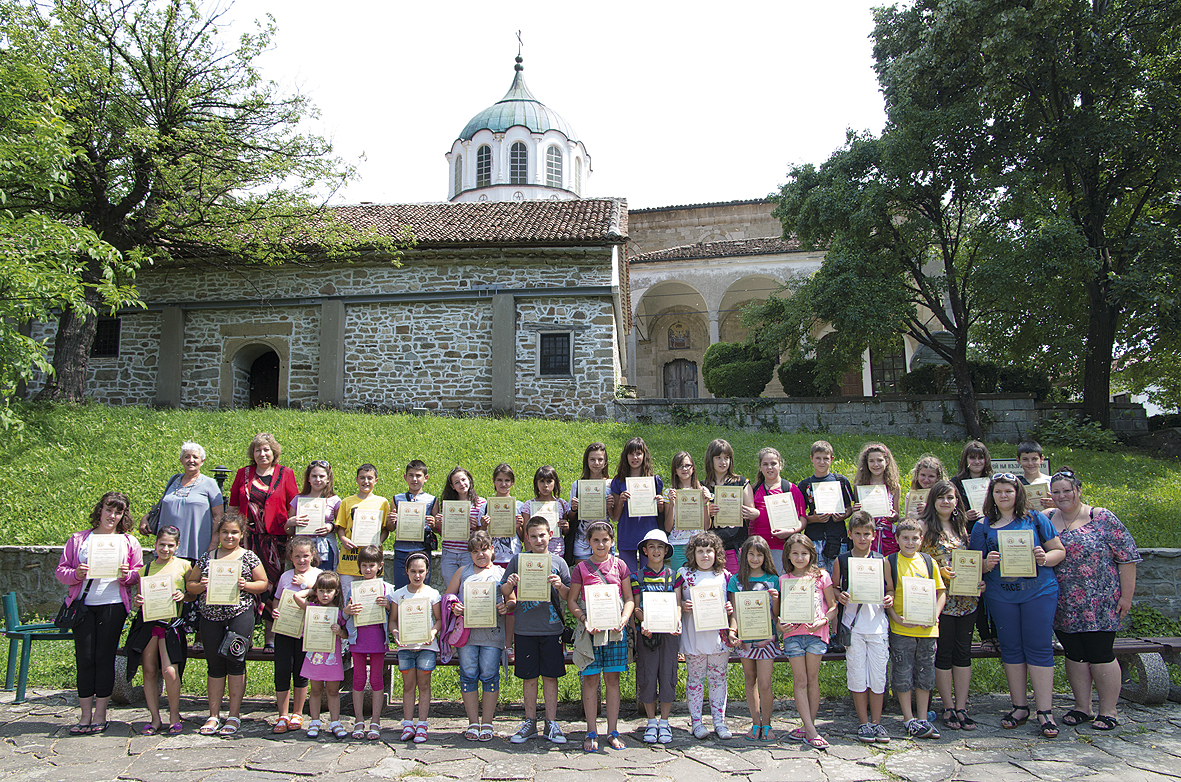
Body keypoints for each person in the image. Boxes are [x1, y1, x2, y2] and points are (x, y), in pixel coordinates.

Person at [970, 472, 1066, 738]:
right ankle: (1019, 706)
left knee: (1039, 647)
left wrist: (1044, 557)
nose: (1004, 496)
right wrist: (985, 564)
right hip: (1001, 596)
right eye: (998, 491)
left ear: (1017, 493)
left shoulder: (1035, 519)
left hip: (1039, 592)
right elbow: (972, 564)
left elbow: (1059, 550)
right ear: (992, 495)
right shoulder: (982, 526)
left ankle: (1045, 711)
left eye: (1009, 491)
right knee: (1011, 648)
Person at [1047, 467, 1139, 731]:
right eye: (1057, 492)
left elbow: (1127, 557)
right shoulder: (1047, 518)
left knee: (1100, 653)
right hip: (1064, 602)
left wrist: (1126, 597)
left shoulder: (1102, 517)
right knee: (1075, 654)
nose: (1062, 495)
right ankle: (1082, 707)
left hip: (1100, 601)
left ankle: (1109, 710)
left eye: (1067, 490)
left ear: (1078, 490)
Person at [56, 492, 144, 735]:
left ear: (123, 515)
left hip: (113, 604)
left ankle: (100, 715)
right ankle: (84, 715)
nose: (112, 516)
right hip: (83, 606)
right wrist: (77, 573)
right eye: (109, 510)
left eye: (118, 512)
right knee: (84, 659)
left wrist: (126, 574)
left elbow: (138, 574)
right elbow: (61, 571)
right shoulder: (79, 540)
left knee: (104, 658)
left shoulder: (128, 541)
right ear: (100, 510)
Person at [185, 511, 269, 736]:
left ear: (241, 534)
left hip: (239, 615)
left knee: (235, 662)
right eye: (225, 532)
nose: (229, 536)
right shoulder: (207, 557)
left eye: (234, 532)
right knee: (214, 665)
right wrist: (200, 585)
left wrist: (246, 586)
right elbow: (190, 585)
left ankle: (234, 715)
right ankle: (213, 715)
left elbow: (263, 584)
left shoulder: (249, 556)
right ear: (218, 533)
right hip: (211, 617)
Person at [500, 517, 571, 745]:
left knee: (551, 677)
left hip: (551, 629)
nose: (538, 540)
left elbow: (570, 596)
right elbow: (504, 589)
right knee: (529, 678)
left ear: (551, 535)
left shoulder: (559, 562)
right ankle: (530, 721)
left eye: (542, 535)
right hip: (525, 628)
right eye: (533, 536)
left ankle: (551, 722)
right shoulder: (518, 560)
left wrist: (560, 586)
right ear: (526, 538)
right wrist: (510, 583)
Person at [228, 432, 299, 649]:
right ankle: (244, 636)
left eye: (266, 449)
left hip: (275, 541)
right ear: (253, 453)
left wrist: (293, 533)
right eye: (258, 450)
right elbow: (232, 505)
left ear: (274, 452)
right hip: (247, 540)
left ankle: (270, 637)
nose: (262, 454)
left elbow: (293, 505)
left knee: (272, 587)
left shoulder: (285, 474)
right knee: (246, 586)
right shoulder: (243, 473)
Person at [568, 521, 634, 752]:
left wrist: (624, 618)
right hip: (591, 633)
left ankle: (613, 731)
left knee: (613, 680)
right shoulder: (581, 568)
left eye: (605, 539)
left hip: (615, 631)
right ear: (588, 542)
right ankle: (591, 730)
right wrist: (584, 620)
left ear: (612, 541)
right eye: (595, 540)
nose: (600, 544)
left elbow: (629, 599)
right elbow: (572, 601)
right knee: (591, 680)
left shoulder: (620, 565)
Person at [920, 480, 980, 731]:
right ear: (933, 501)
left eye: (951, 498)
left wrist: (979, 579)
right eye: (941, 497)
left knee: (963, 653)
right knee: (943, 654)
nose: (946, 502)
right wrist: (937, 571)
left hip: (967, 600)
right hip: (939, 599)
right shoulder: (925, 528)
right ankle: (947, 706)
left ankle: (962, 706)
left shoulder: (964, 528)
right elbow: (914, 560)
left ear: (957, 502)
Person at [126, 525, 192, 736]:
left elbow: (193, 594)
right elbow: (138, 598)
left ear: (177, 546)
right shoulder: (145, 569)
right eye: (161, 544)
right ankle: (155, 718)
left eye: (170, 545)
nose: (165, 549)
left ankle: (174, 715)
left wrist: (184, 595)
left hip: (171, 625)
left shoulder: (185, 566)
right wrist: (137, 601)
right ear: (155, 544)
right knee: (149, 671)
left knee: (170, 671)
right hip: (149, 625)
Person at [834, 510, 892, 744]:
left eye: (866, 534)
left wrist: (889, 598)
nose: (862, 539)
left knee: (878, 677)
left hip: (877, 625)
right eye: (857, 534)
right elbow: (835, 589)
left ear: (873, 534)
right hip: (853, 627)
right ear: (850, 534)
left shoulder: (881, 560)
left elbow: (889, 589)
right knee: (857, 676)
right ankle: (863, 723)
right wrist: (841, 596)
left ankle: (877, 723)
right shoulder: (842, 560)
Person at [885, 519, 947, 740]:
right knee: (902, 673)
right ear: (897, 539)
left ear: (921, 540)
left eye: (914, 538)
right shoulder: (890, 561)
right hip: (901, 629)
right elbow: (888, 594)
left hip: (927, 630)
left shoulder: (929, 562)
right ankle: (908, 718)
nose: (910, 542)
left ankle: (922, 717)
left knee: (925, 673)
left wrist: (934, 616)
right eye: (905, 538)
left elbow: (941, 593)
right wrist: (896, 617)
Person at [445, 531, 508, 742]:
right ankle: (473, 721)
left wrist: (505, 606)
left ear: (492, 549)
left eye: (484, 549)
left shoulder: (501, 573)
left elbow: (513, 601)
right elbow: (448, 596)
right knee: (469, 674)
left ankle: (488, 722)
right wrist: (455, 605)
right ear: (470, 554)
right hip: (468, 635)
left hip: (493, 634)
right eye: (475, 551)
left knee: (490, 674)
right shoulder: (463, 572)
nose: (480, 554)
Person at [777, 533, 836, 750]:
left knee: (812, 680)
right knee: (799, 681)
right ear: (789, 556)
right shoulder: (784, 580)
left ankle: (807, 726)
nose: (800, 558)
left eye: (804, 553)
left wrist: (823, 621)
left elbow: (832, 607)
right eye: (795, 554)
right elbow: (778, 616)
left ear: (812, 554)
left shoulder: (822, 576)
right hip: (793, 636)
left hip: (816, 635)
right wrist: (780, 626)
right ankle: (811, 731)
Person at [677, 531, 733, 741]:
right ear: (693, 553)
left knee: (718, 679)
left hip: (718, 639)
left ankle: (719, 721)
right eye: (700, 551)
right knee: (695, 679)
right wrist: (682, 605)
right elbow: (674, 602)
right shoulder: (683, 574)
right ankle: (697, 721)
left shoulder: (725, 576)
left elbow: (732, 603)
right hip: (694, 637)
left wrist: (729, 607)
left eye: (709, 550)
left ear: (716, 553)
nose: (705, 555)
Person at [727, 536, 780, 742]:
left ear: (765, 556)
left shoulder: (773, 580)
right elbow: (735, 614)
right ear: (744, 555)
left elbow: (775, 614)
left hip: (766, 640)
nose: (755, 558)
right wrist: (733, 631)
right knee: (750, 680)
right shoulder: (736, 580)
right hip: (746, 640)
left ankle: (767, 723)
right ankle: (755, 722)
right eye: (751, 554)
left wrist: (775, 600)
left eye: (759, 554)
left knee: (765, 683)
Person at [631, 529, 680, 745]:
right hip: (647, 634)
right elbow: (636, 606)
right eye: (652, 547)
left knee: (668, 674)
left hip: (669, 634)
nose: (656, 551)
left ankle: (665, 721)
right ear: (644, 550)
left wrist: (677, 621)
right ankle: (651, 721)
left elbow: (677, 604)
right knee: (647, 675)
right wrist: (645, 622)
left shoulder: (674, 576)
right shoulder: (637, 577)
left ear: (666, 551)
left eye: (660, 547)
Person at [270, 536, 322, 735]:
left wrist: (305, 585)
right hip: (284, 630)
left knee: (301, 672)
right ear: (291, 557)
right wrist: (275, 611)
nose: (302, 560)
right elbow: (277, 599)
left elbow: (323, 599)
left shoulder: (318, 575)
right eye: (297, 556)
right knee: (282, 670)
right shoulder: (285, 577)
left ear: (313, 556)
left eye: (306, 556)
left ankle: (298, 713)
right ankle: (283, 714)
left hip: (305, 632)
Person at [139, 441, 223, 562]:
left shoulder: (210, 484)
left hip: (195, 548)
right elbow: (163, 505)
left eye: (195, 457)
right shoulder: (173, 480)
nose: (191, 460)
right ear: (181, 460)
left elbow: (219, 516)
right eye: (187, 457)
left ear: (202, 461)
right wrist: (146, 518)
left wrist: (214, 543)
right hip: (167, 548)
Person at [390, 552, 443, 743]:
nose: (417, 575)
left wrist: (433, 632)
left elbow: (438, 620)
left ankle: (422, 724)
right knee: (408, 686)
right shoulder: (398, 594)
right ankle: (407, 724)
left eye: (421, 571)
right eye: (413, 571)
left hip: (426, 647)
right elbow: (393, 622)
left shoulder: (432, 594)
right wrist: (396, 633)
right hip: (406, 647)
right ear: (406, 571)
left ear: (427, 572)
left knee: (424, 685)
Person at [344, 545, 395, 739]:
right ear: (359, 566)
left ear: (380, 566)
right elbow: (344, 615)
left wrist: (388, 605)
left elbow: (394, 615)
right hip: (358, 639)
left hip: (377, 639)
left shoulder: (387, 588)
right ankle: (358, 720)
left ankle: (375, 721)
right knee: (358, 679)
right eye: (364, 565)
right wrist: (347, 611)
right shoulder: (353, 589)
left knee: (376, 679)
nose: (367, 569)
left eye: (371, 565)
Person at [950, 440, 997, 651]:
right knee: (974, 584)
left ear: (986, 460)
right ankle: (984, 634)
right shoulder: (956, 483)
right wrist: (962, 515)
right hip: (967, 537)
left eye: (980, 457)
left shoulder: (995, 481)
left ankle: (997, 632)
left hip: (992, 537)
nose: (977, 461)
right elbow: (949, 512)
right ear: (965, 460)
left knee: (992, 584)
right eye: (972, 457)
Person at [296, 571, 350, 739]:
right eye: (321, 590)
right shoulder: (312, 609)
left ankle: (335, 721)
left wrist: (339, 631)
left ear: (336, 592)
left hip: (332, 659)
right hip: (314, 657)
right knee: (316, 690)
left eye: (329, 591)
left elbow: (347, 635)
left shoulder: (339, 613)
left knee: (333, 691)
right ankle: (314, 721)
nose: (325, 595)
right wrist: (311, 590)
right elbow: (297, 597)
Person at [798, 440, 855, 575]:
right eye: (818, 458)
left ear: (832, 459)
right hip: (814, 537)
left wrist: (844, 515)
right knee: (816, 576)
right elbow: (799, 515)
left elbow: (850, 507)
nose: (821, 462)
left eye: (826, 458)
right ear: (812, 459)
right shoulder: (805, 484)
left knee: (837, 576)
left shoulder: (841, 481)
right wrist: (813, 519)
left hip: (837, 536)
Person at [610, 437, 666, 574]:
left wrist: (660, 504)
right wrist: (621, 501)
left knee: (650, 576)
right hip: (627, 533)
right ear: (626, 456)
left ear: (644, 455)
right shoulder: (618, 482)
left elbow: (661, 513)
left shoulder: (654, 481)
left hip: (649, 534)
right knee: (628, 577)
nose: (635, 457)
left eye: (638, 453)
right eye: (631, 454)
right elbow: (616, 517)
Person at [336, 463, 393, 589]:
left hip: (372, 562)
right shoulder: (347, 502)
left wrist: (379, 540)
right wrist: (343, 539)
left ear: (376, 480)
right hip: (349, 561)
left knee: (370, 598)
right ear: (356, 479)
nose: (365, 481)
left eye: (369, 478)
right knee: (347, 599)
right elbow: (340, 527)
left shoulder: (382, 502)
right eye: (362, 478)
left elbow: (385, 529)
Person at [701, 439, 754, 573]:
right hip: (711, 548)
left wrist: (748, 512)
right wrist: (708, 511)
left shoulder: (741, 483)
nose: (723, 462)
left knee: (736, 585)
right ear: (710, 459)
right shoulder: (702, 486)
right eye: (718, 458)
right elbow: (698, 522)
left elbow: (753, 511)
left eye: (727, 458)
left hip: (736, 545)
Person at [745, 447, 806, 557]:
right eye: (765, 464)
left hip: (782, 547)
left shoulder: (791, 489)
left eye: (773, 463)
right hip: (756, 548)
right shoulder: (752, 489)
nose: (769, 467)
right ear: (760, 467)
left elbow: (803, 519)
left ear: (780, 465)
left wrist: (792, 531)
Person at [434, 467, 486, 587]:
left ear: (469, 480)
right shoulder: (447, 505)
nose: (461, 484)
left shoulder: (481, 503)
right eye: (457, 482)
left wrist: (476, 528)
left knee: (468, 588)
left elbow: (483, 533)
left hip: (469, 553)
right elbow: (443, 533)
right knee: (451, 588)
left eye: (463, 479)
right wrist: (440, 525)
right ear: (452, 486)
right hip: (449, 554)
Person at [285, 460, 341, 571]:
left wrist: (331, 527)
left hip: (325, 548)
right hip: (301, 549)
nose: (318, 480)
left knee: (324, 582)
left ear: (328, 479)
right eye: (314, 476)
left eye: (322, 476)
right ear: (308, 479)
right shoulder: (298, 499)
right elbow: (289, 531)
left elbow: (341, 527)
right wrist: (290, 523)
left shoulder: (335, 500)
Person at [664, 451, 713, 575]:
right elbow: (668, 527)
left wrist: (706, 503)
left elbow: (707, 526)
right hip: (678, 545)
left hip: (699, 545)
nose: (684, 469)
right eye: (679, 466)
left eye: (687, 465)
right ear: (675, 470)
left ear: (693, 468)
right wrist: (672, 504)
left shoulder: (702, 490)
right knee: (679, 583)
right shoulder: (669, 493)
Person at [391, 460, 438, 589]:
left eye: (418, 475)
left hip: (422, 550)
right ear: (405, 477)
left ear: (426, 478)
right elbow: (391, 528)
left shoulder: (432, 500)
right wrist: (391, 521)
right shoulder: (397, 499)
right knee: (400, 590)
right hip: (401, 550)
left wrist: (434, 524)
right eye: (411, 475)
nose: (414, 479)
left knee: (422, 590)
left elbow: (437, 529)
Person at [566, 443, 614, 567]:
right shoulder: (577, 485)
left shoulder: (610, 485)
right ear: (586, 461)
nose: (596, 463)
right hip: (582, 541)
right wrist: (573, 508)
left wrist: (610, 506)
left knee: (606, 579)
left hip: (604, 540)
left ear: (605, 462)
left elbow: (615, 517)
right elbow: (571, 517)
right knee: (583, 578)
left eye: (600, 459)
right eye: (592, 459)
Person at [853, 442, 902, 556]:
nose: (876, 464)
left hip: (888, 536)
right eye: (871, 461)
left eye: (880, 460)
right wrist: (855, 510)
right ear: (866, 463)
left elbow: (897, 515)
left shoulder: (894, 487)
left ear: (887, 461)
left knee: (888, 567)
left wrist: (894, 516)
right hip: (866, 536)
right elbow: (858, 517)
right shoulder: (859, 487)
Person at [520, 466, 570, 560]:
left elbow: (565, 533)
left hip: (557, 552)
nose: (545, 485)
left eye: (549, 481)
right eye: (542, 481)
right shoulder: (529, 505)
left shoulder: (561, 504)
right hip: (535, 551)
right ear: (536, 483)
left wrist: (566, 528)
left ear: (555, 482)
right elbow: (526, 534)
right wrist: (529, 554)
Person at [905, 454, 947, 521]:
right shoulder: (910, 496)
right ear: (917, 474)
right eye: (923, 475)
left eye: (931, 476)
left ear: (938, 477)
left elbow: (946, 517)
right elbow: (907, 518)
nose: (926, 480)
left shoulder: (943, 496)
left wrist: (929, 510)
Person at [1017, 440, 1054, 511]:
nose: (1030, 463)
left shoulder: (1051, 481)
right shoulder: (1016, 483)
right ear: (1018, 460)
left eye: (1034, 459)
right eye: (1025, 459)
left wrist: (1055, 504)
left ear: (1042, 459)